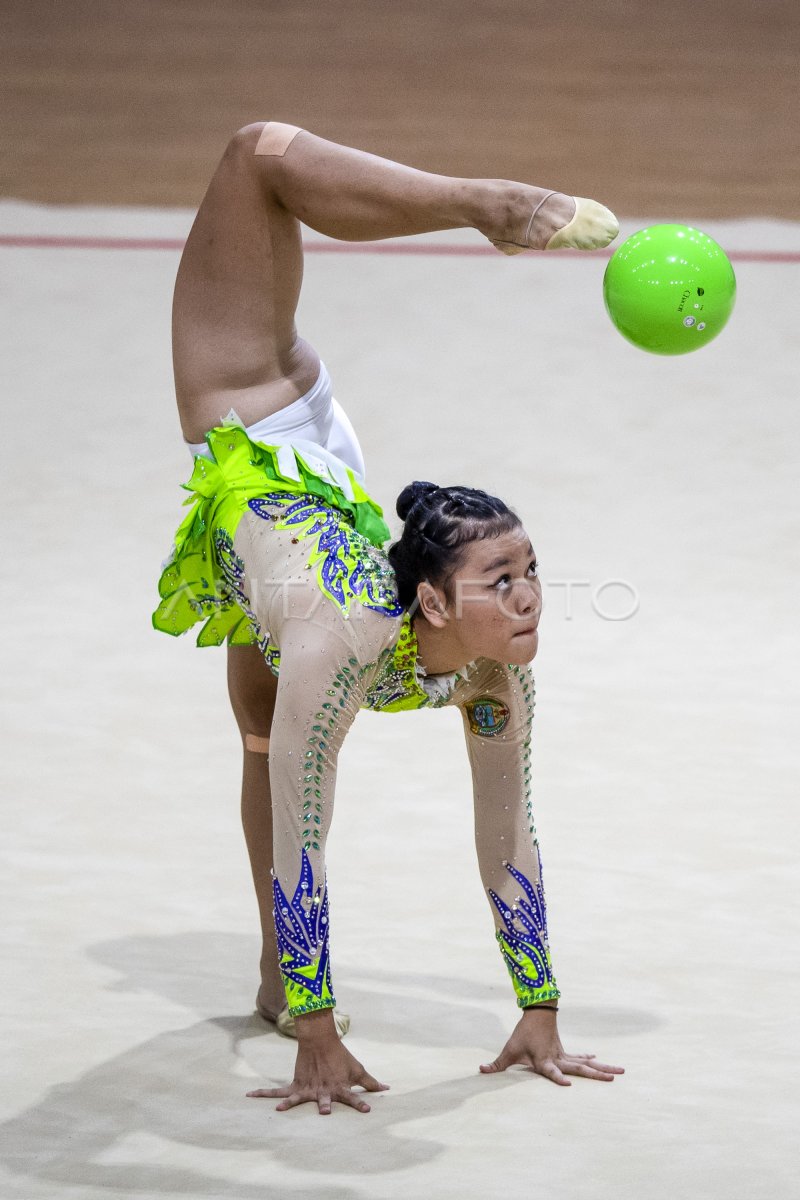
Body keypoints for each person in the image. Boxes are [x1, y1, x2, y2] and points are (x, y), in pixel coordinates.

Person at [153, 122, 625, 1115]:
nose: (530, 594)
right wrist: (318, 1033)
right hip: (251, 418)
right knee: (254, 155)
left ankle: (278, 979)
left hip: (313, 519)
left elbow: (508, 834)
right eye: (501, 579)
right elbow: (304, 832)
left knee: (257, 730)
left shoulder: (494, 666)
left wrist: (539, 1008)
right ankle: (480, 202)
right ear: (432, 601)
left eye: (530, 569)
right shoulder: (343, 644)